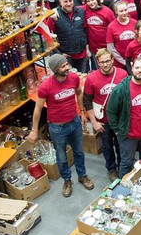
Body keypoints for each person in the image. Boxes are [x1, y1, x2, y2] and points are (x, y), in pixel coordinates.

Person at [27, 53, 95, 197]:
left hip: (74, 122)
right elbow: (38, 109)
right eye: (63, 66)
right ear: (55, 69)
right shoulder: (46, 87)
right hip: (57, 128)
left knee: (79, 152)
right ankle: (67, 180)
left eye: (66, 64)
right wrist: (34, 130)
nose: (67, 67)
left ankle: (82, 176)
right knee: (61, 156)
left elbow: (79, 93)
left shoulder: (74, 78)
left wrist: (82, 112)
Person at [104, 57, 141, 175]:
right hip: (128, 136)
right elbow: (110, 111)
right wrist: (117, 130)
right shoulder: (121, 89)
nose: (139, 70)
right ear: (132, 68)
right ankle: (124, 191)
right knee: (127, 163)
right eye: (137, 67)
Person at [82, 48, 128, 182]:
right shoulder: (91, 78)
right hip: (103, 120)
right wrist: (94, 122)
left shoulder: (122, 74)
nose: (105, 64)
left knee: (122, 145)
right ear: (97, 62)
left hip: (120, 119)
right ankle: (111, 169)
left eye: (108, 61)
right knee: (107, 146)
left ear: (113, 60)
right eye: (102, 62)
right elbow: (87, 101)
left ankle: (123, 168)